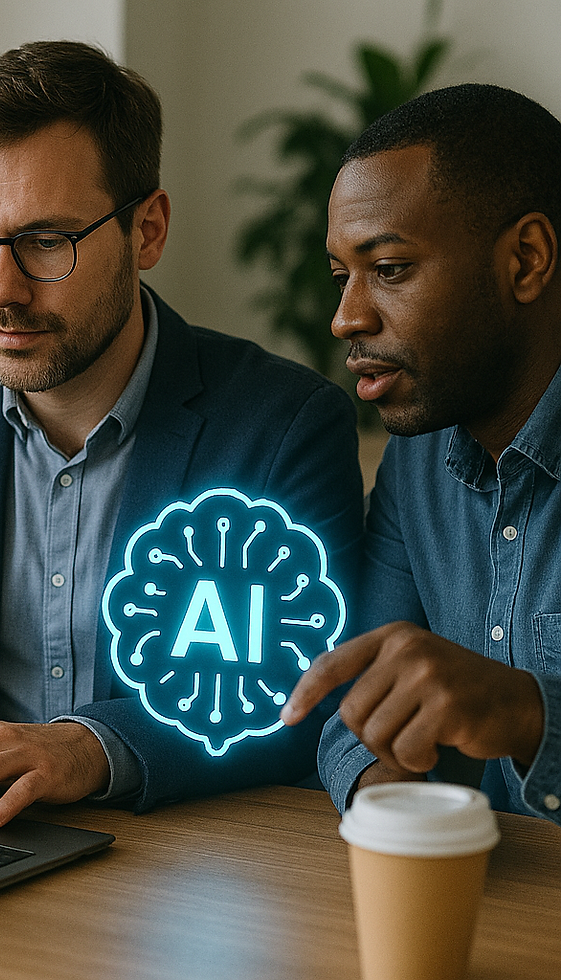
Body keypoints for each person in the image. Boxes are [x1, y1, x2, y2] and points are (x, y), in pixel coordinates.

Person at [0, 40, 364, 830]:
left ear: (148, 231)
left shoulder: (281, 426)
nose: (0, 290)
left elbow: (297, 692)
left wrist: (90, 746)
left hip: (189, 853)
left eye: (46, 242)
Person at [281, 83, 561, 826]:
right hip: (481, 888)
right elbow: (354, 705)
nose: (346, 318)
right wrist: (386, 798)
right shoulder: (417, 463)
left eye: (390, 268)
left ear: (526, 260)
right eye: (341, 276)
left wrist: (527, 714)